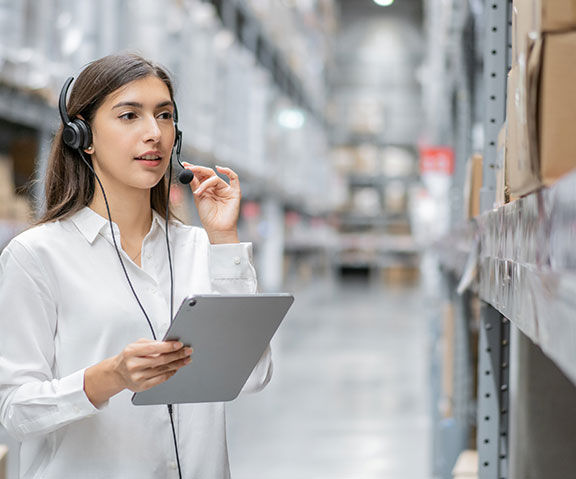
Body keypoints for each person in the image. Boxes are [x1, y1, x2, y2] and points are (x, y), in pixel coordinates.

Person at [0, 53, 272, 479]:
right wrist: (107, 377)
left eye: (164, 116)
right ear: (82, 135)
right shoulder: (37, 256)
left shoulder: (202, 248)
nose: (154, 134)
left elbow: (254, 374)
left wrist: (224, 238)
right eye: (129, 116)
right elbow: (13, 411)